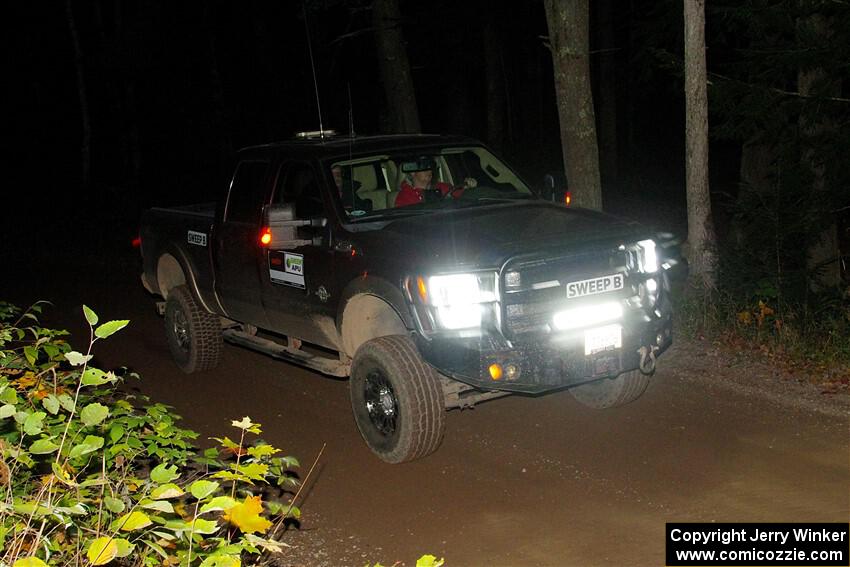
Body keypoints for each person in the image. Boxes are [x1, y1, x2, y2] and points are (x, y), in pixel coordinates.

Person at [394, 157, 476, 207]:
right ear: (412, 172)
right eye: (424, 167)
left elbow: (462, 197)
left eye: (430, 166)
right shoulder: (404, 197)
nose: (429, 170)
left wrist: (468, 187)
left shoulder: (443, 187)